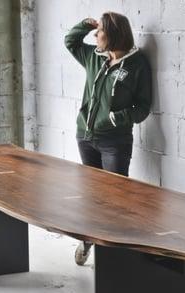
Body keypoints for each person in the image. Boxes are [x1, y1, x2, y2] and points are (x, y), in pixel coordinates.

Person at [64, 12, 152, 266]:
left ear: (113, 35)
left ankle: (114, 257)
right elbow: (71, 41)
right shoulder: (94, 57)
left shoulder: (137, 65)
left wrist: (115, 119)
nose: (95, 35)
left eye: (100, 31)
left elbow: (143, 107)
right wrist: (86, 24)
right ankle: (89, 240)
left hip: (115, 143)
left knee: (115, 200)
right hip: (86, 137)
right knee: (93, 196)